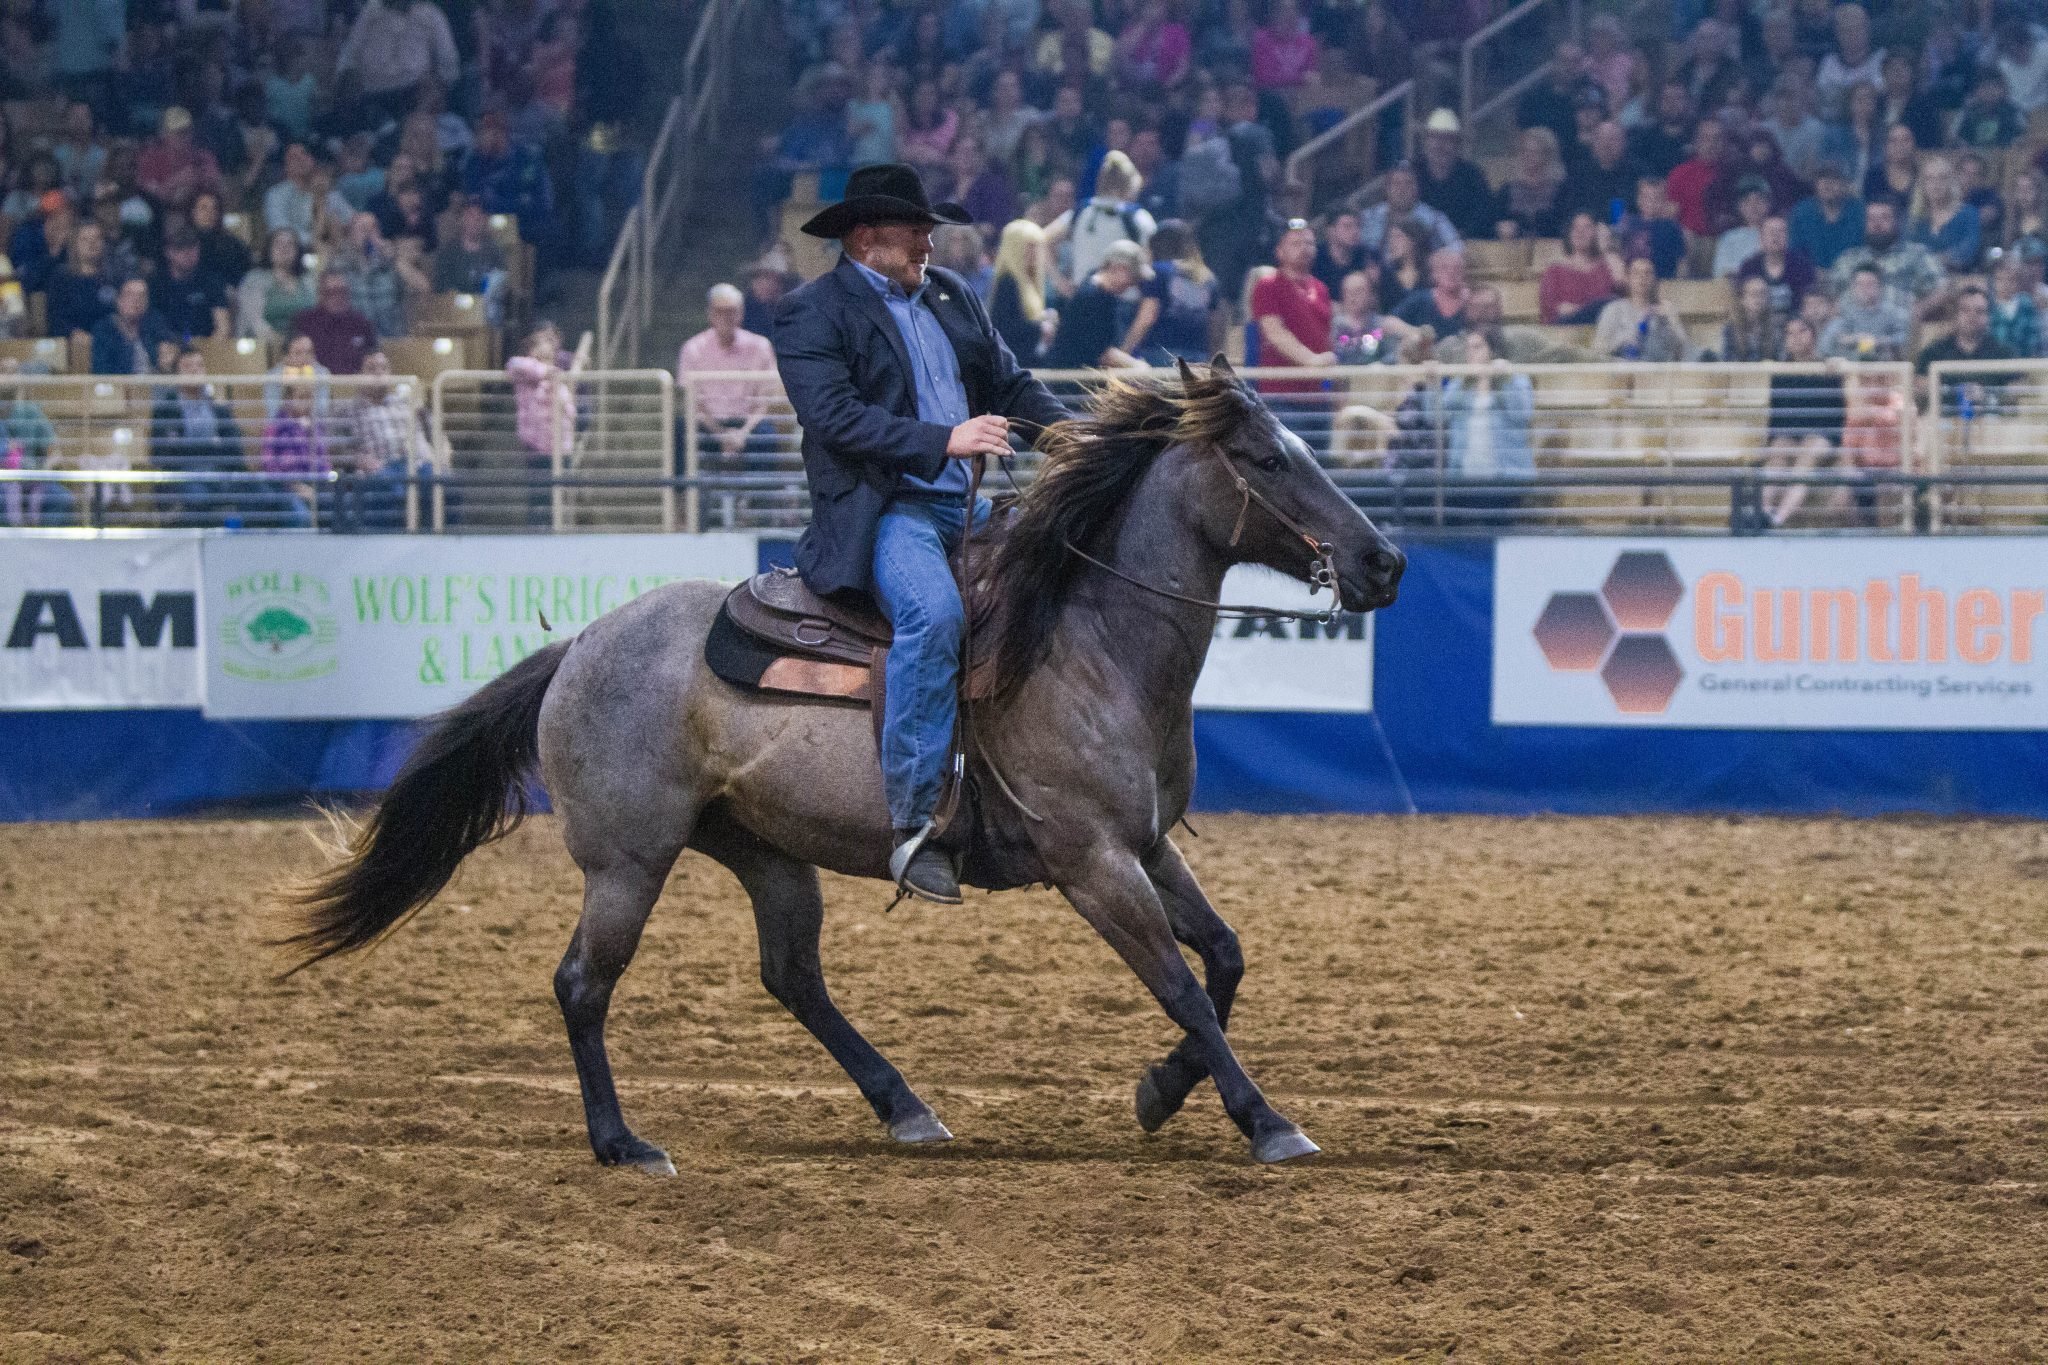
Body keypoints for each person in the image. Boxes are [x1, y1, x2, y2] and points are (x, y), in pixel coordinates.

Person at [772, 163, 1069, 902]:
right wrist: (946, 439)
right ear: (867, 237)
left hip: (965, 503)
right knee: (932, 616)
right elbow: (835, 419)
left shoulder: (951, 294)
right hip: (888, 509)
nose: (930, 242)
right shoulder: (813, 312)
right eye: (917, 231)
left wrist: (1075, 439)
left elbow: (1010, 384)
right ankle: (914, 822)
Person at [676, 282, 780, 522]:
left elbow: (764, 401)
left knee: (768, 436)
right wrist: (721, 434)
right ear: (710, 314)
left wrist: (742, 433)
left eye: (732, 310)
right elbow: (694, 404)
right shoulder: (693, 349)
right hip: (710, 424)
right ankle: (685, 507)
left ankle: (757, 511)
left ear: (741, 314)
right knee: (680, 431)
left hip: (748, 424)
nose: (726, 317)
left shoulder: (760, 346)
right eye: (720, 311)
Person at [1440, 325, 1533, 528]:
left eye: (1478, 347)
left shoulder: (1515, 379)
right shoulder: (1459, 384)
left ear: (1492, 350)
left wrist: (1502, 380)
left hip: (1505, 474)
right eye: (1469, 349)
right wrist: (1430, 383)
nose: (1471, 354)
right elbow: (1436, 416)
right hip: (1464, 475)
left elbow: (1522, 414)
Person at [1759, 316, 1845, 529]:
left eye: (1802, 331)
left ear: (1813, 336)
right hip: (1790, 431)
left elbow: (1836, 414)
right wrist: (1775, 441)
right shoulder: (1780, 373)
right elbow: (1777, 415)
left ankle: (1779, 518)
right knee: (1777, 457)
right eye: (1790, 333)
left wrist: (1841, 366)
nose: (1796, 338)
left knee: (1805, 459)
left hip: (1822, 433)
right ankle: (1762, 513)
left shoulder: (1829, 368)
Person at [149, 347, 247, 526]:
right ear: (177, 374)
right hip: (183, 477)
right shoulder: (165, 410)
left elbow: (234, 448)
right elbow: (160, 454)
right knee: (199, 496)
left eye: (199, 366)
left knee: (251, 492)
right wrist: (212, 445)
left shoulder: (218, 407)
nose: (195, 370)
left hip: (219, 473)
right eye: (188, 366)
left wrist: (188, 446)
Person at [338, 349, 432, 531]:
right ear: (359, 375)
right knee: (393, 490)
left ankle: (435, 542)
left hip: (413, 465)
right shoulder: (347, 410)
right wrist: (358, 459)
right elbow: (337, 450)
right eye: (372, 368)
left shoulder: (405, 403)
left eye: (384, 368)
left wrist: (430, 457)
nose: (379, 373)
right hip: (381, 469)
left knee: (442, 485)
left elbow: (425, 436)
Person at [334, 0, 462, 129]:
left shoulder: (431, 14)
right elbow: (351, 52)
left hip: (414, 92)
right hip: (372, 91)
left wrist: (438, 85)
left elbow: (448, 60)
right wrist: (347, 77)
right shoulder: (371, 10)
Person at [1044, 150, 1155, 291]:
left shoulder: (1081, 212)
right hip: (1125, 303)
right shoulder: (1140, 218)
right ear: (1132, 184)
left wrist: (1060, 283)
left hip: (1083, 297)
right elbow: (1150, 263)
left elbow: (1040, 241)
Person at [1827, 199, 1944, 320]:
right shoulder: (1848, 258)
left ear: (1897, 222)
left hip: (1899, 329)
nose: (1877, 224)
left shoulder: (1917, 254)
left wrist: (1920, 309)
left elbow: (1943, 288)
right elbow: (1828, 295)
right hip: (1851, 330)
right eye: (1871, 219)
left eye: (1884, 218)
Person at [1124, 220, 1220, 364]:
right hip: (1197, 355)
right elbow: (1215, 323)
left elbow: (1147, 316)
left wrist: (1125, 349)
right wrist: (1213, 356)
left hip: (1160, 353)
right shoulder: (1208, 277)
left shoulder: (1157, 272)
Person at [1044, 239, 1150, 369]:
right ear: (1117, 268)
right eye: (1133, 277)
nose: (1133, 284)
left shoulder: (1106, 294)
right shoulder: (1091, 298)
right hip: (1073, 378)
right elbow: (1100, 351)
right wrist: (1136, 366)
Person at [1916, 286, 2015, 417]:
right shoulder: (1934, 352)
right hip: (1943, 425)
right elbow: (1918, 388)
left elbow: (2016, 393)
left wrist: (1987, 396)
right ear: (1955, 315)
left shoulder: (2003, 353)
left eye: (1979, 311)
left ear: (1989, 317)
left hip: (1992, 427)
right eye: (1965, 310)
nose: (1972, 316)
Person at [0, 358, 71, 529]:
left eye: (13, 372)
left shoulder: (31, 412)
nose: (9, 378)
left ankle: (44, 549)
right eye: (4, 372)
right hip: (4, 479)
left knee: (62, 498)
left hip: (32, 476)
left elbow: (55, 452)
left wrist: (44, 470)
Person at [257, 375, 328, 528]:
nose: (307, 402)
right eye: (301, 397)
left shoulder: (316, 427)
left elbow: (324, 463)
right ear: (288, 399)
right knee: (300, 516)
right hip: (285, 488)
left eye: (310, 397)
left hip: (315, 485)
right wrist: (295, 486)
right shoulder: (275, 427)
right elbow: (269, 465)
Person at [1415, 109, 1494, 240]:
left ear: (1457, 144)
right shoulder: (1413, 173)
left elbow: (1485, 216)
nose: (1440, 145)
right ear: (1426, 141)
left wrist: (1458, 236)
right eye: (1435, 137)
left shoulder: (1472, 176)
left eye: (1447, 139)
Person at [1593, 256, 1688, 361]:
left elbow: (1682, 350)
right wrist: (1629, 337)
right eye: (1636, 273)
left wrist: (1668, 322)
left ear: (1654, 279)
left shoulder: (1665, 309)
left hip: (1658, 370)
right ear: (1628, 278)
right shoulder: (1614, 309)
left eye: (1648, 273)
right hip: (1622, 370)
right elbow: (1599, 349)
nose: (1642, 277)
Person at [1538, 211, 1621, 325]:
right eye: (1575, 227)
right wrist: (1584, 310)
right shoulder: (1555, 270)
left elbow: (1620, 284)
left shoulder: (1605, 266)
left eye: (1587, 227)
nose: (1580, 232)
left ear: (1596, 234)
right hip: (1566, 328)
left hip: (1601, 328)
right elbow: (1552, 309)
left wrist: (1606, 249)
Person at [989, 219, 1054, 363]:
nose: (1036, 252)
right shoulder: (1008, 282)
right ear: (1015, 247)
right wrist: (1039, 328)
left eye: (1037, 247)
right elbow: (1005, 327)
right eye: (1030, 246)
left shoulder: (1027, 281)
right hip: (1015, 362)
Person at [1359, 164, 1457, 258]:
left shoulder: (1435, 219)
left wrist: (1437, 259)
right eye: (1397, 183)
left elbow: (1456, 248)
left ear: (1417, 189)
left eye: (1408, 183)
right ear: (1387, 189)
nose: (1402, 190)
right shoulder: (1368, 217)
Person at [238, 228, 316, 345]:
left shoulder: (308, 280)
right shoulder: (254, 280)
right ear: (269, 249)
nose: (284, 249)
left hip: (304, 347)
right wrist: (284, 345)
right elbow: (255, 322)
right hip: (265, 346)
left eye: (290, 244)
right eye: (278, 244)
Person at [294, 271, 379, 375]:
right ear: (320, 294)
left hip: (355, 386)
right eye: (330, 293)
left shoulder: (361, 323)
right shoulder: (304, 322)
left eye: (341, 292)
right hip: (315, 385)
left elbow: (374, 358)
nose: (337, 297)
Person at [265, 143, 355, 240]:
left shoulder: (327, 191)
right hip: (300, 251)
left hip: (335, 249)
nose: (301, 159)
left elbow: (352, 219)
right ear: (286, 167)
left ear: (312, 160)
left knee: (366, 220)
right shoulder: (275, 195)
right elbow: (280, 229)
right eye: (294, 157)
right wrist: (320, 240)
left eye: (304, 154)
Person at [1819, 262, 1909, 360]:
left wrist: (1879, 341)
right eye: (1859, 284)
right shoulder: (1844, 313)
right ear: (1852, 288)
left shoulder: (1894, 314)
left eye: (1869, 284)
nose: (1864, 289)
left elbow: (1906, 338)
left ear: (1880, 287)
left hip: (1886, 368)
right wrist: (1853, 339)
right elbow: (1825, 346)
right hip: (1850, 368)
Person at [46, 221, 119, 340]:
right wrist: (73, 332)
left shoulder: (113, 276)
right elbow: (56, 318)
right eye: (85, 240)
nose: (92, 244)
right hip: (75, 342)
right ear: (75, 244)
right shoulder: (61, 277)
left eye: (97, 238)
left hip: (109, 340)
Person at [155, 227, 232, 341]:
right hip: (169, 347)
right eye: (180, 248)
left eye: (192, 247)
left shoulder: (211, 281)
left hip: (206, 347)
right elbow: (152, 327)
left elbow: (223, 327)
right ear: (168, 252)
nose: (188, 253)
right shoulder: (156, 285)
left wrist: (205, 347)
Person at [1735, 215, 1817, 320]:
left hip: (1794, 325)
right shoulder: (1749, 267)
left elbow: (1807, 301)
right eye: (1770, 232)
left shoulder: (1802, 265)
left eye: (1781, 232)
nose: (1775, 236)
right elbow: (1742, 302)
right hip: (1759, 324)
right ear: (1761, 238)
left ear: (1788, 237)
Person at [1909, 156, 1982, 273]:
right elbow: (1907, 252)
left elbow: (1968, 251)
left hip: (1959, 279)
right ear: (1922, 184)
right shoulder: (1914, 218)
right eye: (1929, 179)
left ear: (1951, 182)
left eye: (1942, 178)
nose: (1936, 184)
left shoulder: (1968, 213)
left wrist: (1933, 260)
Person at [1493, 127, 1567, 240]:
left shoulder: (1561, 190)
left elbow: (1563, 224)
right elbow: (1495, 219)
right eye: (1524, 151)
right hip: (1512, 250)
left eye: (1534, 151)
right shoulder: (1507, 190)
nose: (1528, 156)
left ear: (1547, 155)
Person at [1788, 160, 1864, 271]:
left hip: (1852, 276)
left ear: (1845, 184)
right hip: (1810, 277)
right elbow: (1795, 252)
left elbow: (1864, 251)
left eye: (1835, 179)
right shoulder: (1801, 212)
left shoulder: (1859, 211)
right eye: (1822, 178)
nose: (1828, 183)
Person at [90, 279, 175, 376]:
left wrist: (170, 349)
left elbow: (183, 340)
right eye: (130, 295)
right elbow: (101, 369)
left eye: (142, 295)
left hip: (154, 385)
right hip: (120, 385)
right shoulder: (105, 328)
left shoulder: (154, 322)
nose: (137, 300)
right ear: (119, 300)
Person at [1394, 247, 1471, 339]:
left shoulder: (1473, 302)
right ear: (1434, 273)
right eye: (1444, 268)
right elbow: (1387, 323)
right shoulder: (1420, 299)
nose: (1451, 272)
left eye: (1457, 268)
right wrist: (1416, 333)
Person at [1713, 177, 1774, 277]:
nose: (1753, 206)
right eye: (1747, 201)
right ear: (1739, 207)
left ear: (1768, 204)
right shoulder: (1729, 239)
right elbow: (1722, 273)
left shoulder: (1778, 233)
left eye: (1759, 200)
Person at [1989, 253, 2040, 358]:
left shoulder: (2026, 304)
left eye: (2011, 280)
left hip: (2022, 361)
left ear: (2018, 282)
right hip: (1994, 363)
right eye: (2000, 279)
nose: (2005, 285)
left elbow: (2033, 337)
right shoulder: (1988, 305)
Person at [1721, 273, 1781, 362]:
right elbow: (1728, 360)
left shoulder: (1776, 328)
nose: (1758, 298)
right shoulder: (1730, 330)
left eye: (1762, 294)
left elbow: (1779, 360)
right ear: (1742, 299)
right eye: (1754, 294)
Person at [1311, 209, 1368, 298]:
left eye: (1358, 226)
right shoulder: (1314, 258)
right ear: (1330, 231)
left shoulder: (1367, 256)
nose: (1355, 232)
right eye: (1347, 226)